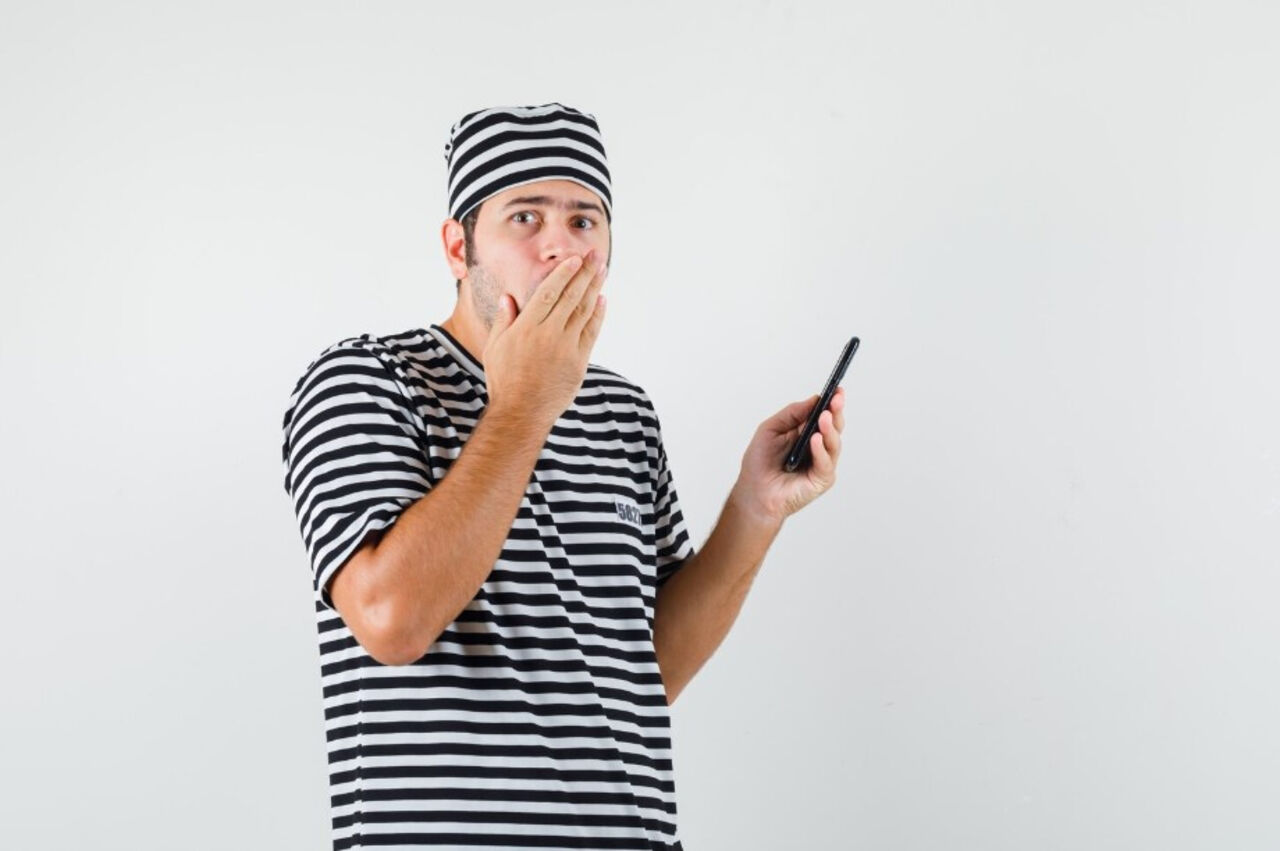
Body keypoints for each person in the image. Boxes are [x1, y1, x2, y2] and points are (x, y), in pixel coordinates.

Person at [280, 102, 847, 850]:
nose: (561, 247)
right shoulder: (366, 382)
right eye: (525, 217)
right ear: (457, 248)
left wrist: (755, 508)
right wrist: (524, 405)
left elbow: (650, 674)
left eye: (585, 221)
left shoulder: (621, 412)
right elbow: (391, 621)